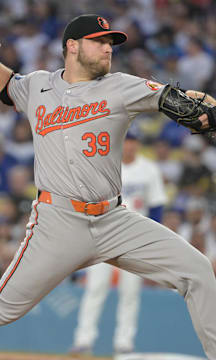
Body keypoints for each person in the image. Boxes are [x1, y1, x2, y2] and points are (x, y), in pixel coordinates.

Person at [0, 14, 216, 359]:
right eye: (100, 41)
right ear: (72, 46)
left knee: (198, 271)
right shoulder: (38, 85)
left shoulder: (122, 86)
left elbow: (175, 96)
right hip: (59, 221)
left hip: (115, 220)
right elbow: (3, 84)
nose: (108, 48)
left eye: (111, 42)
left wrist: (202, 107)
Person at [70, 131, 167, 356]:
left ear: (138, 144)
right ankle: (83, 340)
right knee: (95, 289)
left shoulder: (149, 169)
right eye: (126, 141)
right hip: (104, 236)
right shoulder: (105, 166)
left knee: (130, 293)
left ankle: (124, 344)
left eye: (133, 141)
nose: (129, 146)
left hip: (134, 240)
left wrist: (150, 240)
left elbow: (157, 207)